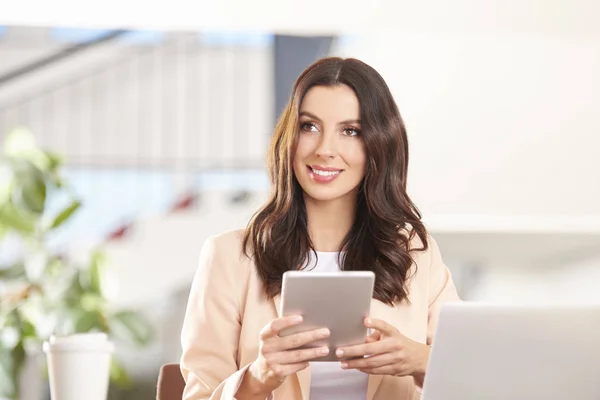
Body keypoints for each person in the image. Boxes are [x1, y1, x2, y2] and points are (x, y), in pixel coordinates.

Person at [180, 57, 460, 400]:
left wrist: (420, 360)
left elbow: (475, 378)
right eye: (309, 126)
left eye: (350, 131)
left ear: (379, 144)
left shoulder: (415, 253)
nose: (325, 149)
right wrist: (257, 377)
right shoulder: (229, 256)